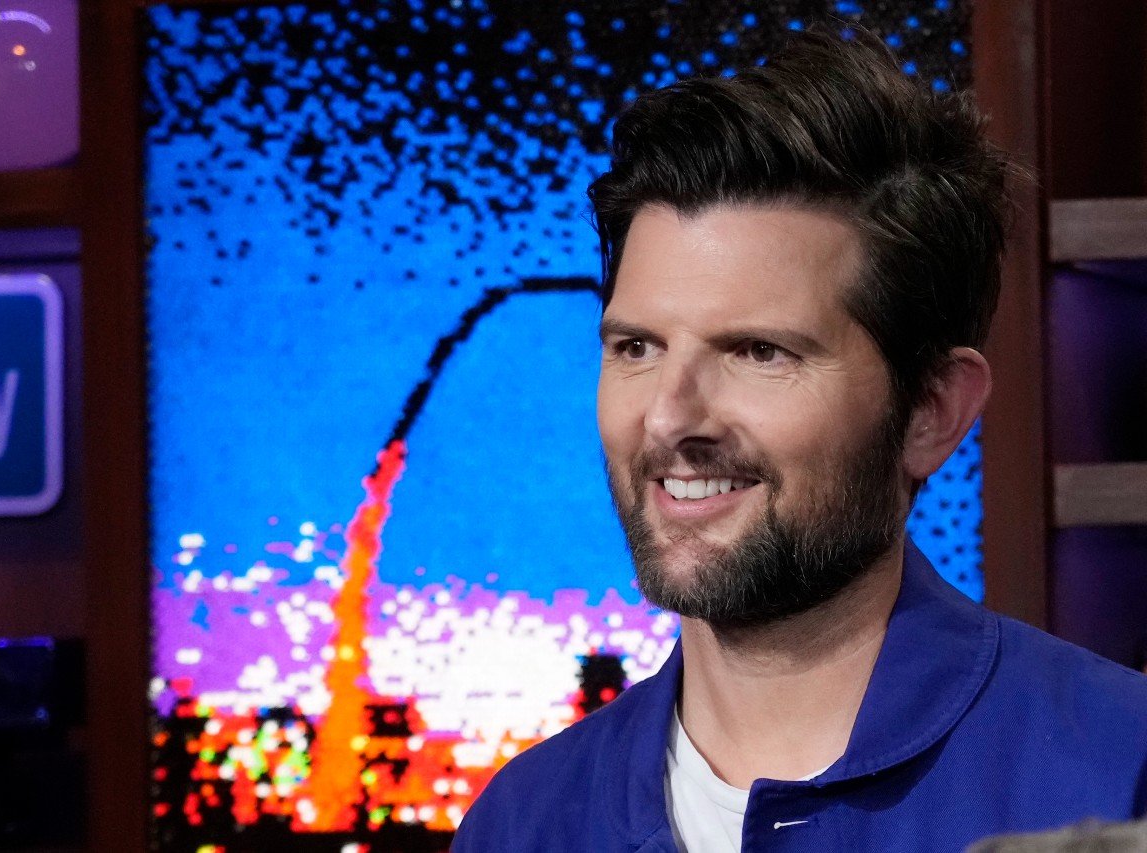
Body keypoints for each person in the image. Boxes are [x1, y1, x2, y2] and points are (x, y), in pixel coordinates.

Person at [452, 29, 1147, 853]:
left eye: (758, 352)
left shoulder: (1121, 766)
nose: (672, 417)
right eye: (636, 347)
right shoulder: (522, 822)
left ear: (931, 411)